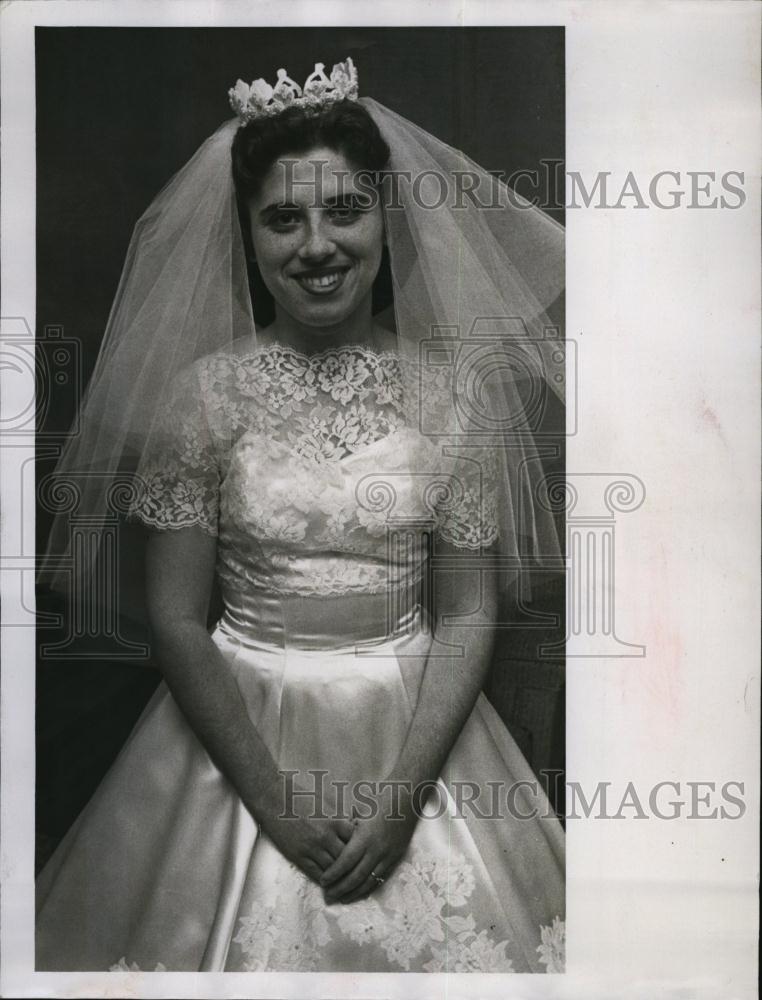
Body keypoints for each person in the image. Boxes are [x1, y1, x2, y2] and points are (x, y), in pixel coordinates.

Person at [36, 57, 566, 973]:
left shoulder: (455, 399)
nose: (316, 245)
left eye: (343, 211)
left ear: (385, 220)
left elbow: (469, 609)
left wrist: (403, 797)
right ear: (247, 234)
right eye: (284, 218)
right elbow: (174, 619)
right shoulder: (202, 399)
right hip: (242, 729)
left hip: (417, 733)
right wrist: (274, 799)